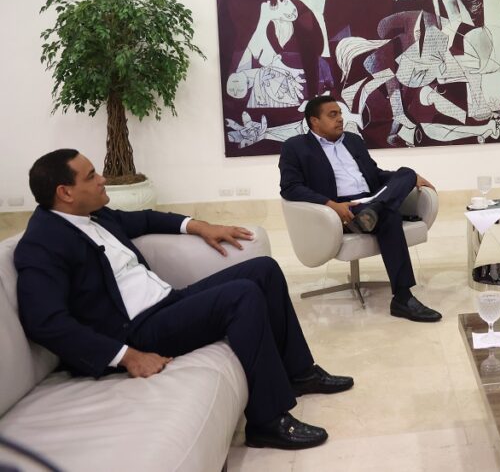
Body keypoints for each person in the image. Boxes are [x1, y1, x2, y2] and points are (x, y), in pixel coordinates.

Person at [15, 149, 350, 450]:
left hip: (167, 302)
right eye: (91, 176)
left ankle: (300, 373)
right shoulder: (42, 243)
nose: (102, 179)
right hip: (136, 331)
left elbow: (147, 218)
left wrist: (200, 225)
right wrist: (126, 355)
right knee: (242, 295)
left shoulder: (96, 215)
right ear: (65, 192)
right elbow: (44, 321)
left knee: (263, 270)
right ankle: (267, 422)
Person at [279, 95, 443, 322]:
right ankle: (403, 298)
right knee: (390, 216)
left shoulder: (353, 140)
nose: (340, 119)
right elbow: (290, 188)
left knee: (406, 172)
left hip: (370, 200)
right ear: (314, 121)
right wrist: (331, 205)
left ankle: (374, 210)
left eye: (340, 114)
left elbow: (375, 175)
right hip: (343, 209)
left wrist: (409, 178)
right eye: (333, 115)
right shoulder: (296, 147)